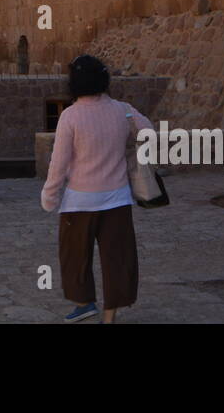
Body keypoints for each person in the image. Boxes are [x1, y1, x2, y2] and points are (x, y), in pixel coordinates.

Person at [41, 54, 153, 324]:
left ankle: (83, 303)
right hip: (117, 198)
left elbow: (59, 163)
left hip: (79, 202)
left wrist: (50, 196)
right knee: (118, 259)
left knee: (74, 257)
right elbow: (148, 131)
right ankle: (109, 316)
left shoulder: (70, 116)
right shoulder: (122, 110)